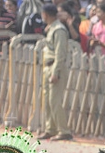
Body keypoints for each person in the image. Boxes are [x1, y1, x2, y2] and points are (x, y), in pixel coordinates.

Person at [37, 4, 72, 140]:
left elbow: (60, 53)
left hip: (55, 67)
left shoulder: (59, 30)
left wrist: (56, 72)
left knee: (55, 100)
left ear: (46, 14)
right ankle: (50, 128)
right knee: (47, 101)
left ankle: (63, 130)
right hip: (47, 66)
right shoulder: (51, 29)